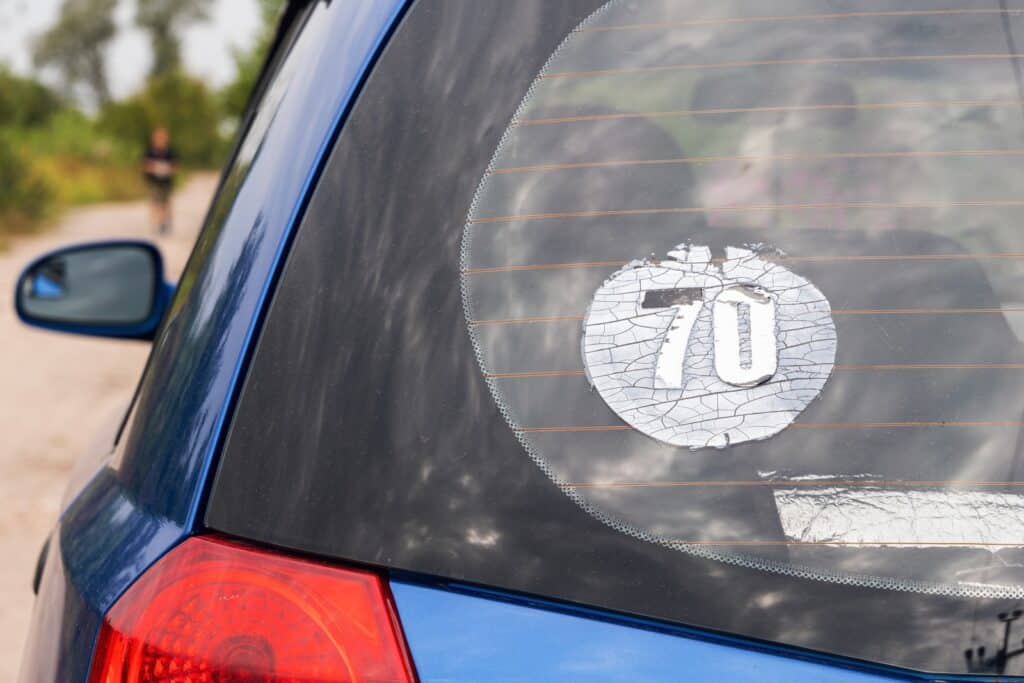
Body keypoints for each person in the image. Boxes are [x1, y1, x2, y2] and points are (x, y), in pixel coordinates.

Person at [142, 127, 177, 235]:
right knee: (155, 202)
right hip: (154, 181)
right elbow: (144, 165)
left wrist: (167, 169)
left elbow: (175, 165)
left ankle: (165, 223)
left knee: (165, 203)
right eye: (158, 137)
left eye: (162, 137)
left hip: (166, 181)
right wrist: (155, 168)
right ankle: (156, 224)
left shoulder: (169, 151)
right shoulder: (149, 151)